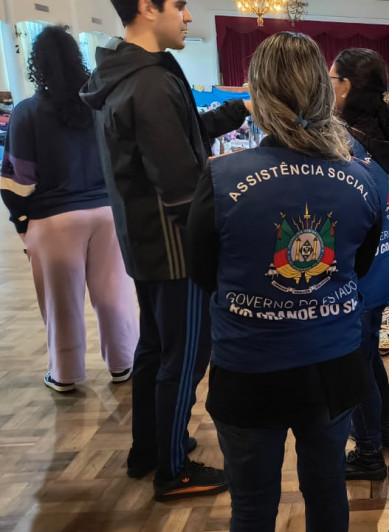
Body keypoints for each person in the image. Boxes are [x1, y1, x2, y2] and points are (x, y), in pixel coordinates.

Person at [185, 32, 382, 531]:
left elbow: (203, 274)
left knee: (251, 507)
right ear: (321, 91)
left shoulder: (220, 178)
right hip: (332, 365)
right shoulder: (361, 179)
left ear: (258, 96)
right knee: (327, 491)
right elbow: (358, 268)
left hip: (249, 368)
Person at [80, 0, 250, 500]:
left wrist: (239, 108)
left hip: (143, 241)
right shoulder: (149, 82)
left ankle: (150, 447)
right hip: (176, 249)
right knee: (186, 357)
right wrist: (219, 247)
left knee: (154, 351)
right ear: (148, 9)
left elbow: (182, 134)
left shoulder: (127, 70)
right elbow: (181, 189)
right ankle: (173, 469)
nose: (188, 16)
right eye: (180, 5)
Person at [0, 26, 138, 393]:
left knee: (61, 304)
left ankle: (64, 375)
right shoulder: (100, 105)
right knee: (115, 297)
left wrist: (21, 223)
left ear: (37, 65)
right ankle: (125, 363)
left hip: (54, 220)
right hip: (108, 214)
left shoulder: (26, 113)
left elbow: (17, 181)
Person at [331, 48, 389, 480]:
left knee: (357, 361)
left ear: (346, 86)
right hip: (388, 265)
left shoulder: (346, 145)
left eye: (332, 80)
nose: (328, 87)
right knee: (367, 356)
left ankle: (367, 454)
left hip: (360, 273)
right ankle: (382, 430)